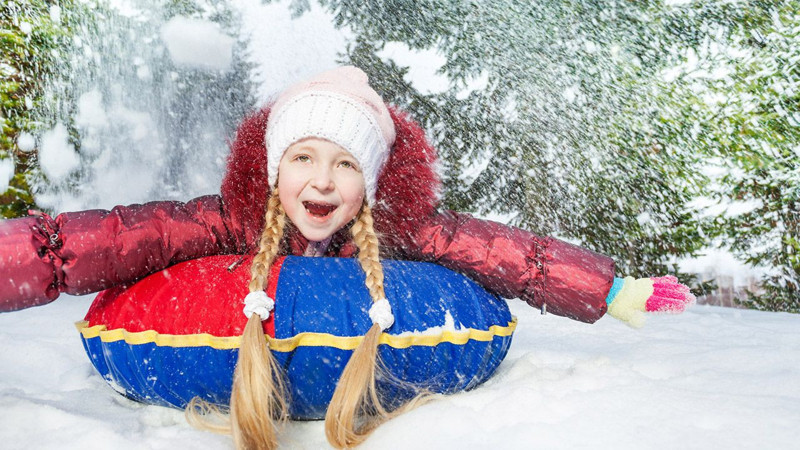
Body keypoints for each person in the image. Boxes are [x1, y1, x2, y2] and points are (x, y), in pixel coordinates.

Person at [0, 66, 694, 449]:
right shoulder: (223, 221)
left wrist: (609, 291)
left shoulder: (400, 231)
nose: (323, 181)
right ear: (274, 170)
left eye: (344, 164)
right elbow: (100, 243)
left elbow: (512, 255)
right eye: (302, 158)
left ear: (371, 180)